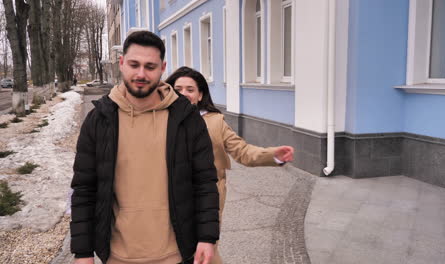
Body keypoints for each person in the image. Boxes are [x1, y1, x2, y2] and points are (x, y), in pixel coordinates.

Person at [70, 31, 219, 264]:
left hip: (176, 254)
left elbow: (205, 182)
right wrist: (83, 252)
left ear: (162, 68)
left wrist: (207, 238)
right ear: (121, 63)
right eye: (134, 64)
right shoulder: (99, 120)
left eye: (150, 66)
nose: (141, 74)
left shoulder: (186, 118)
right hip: (118, 256)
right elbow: (84, 189)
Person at [165, 67, 294, 263]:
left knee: (205, 250)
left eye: (190, 89)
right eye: (178, 89)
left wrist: (272, 156)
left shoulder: (216, 122)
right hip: (171, 196)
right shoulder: (160, 120)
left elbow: (242, 151)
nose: (184, 94)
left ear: (200, 95)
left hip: (207, 198)